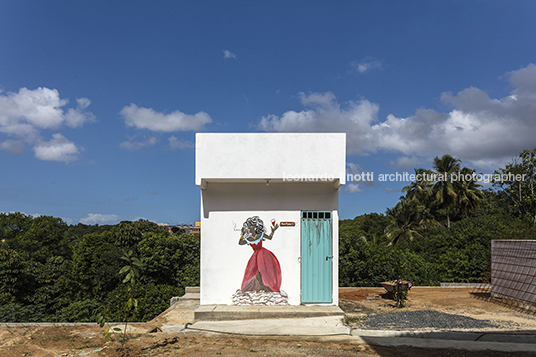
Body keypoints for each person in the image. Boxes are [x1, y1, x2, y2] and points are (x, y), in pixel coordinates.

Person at [239, 216, 281, 293]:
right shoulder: (249, 238)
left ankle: (266, 285)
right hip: (255, 256)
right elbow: (240, 243)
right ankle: (261, 285)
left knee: (264, 270)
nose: (249, 228)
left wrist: (273, 231)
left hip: (263, 254)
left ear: (256, 226)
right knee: (256, 271)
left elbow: (270, 237)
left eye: (250, 226)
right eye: (248, 226)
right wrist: (243, 233)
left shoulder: (261, 234)